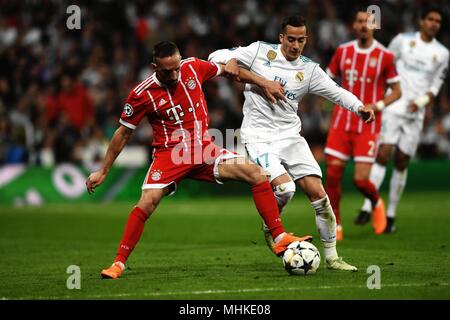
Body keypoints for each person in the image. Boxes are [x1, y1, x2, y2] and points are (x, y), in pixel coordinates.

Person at [86, 41, 312, 279]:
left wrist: (263, 81)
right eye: (167, 71)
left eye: (176, 68)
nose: (174, 74)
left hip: (205, 151)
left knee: (255, 173)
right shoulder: (141, 94)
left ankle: (279, 237)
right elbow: (123, 133)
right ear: (155, 67)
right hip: (171, 155)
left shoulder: (193, 67)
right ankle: (118, 263)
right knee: (147, 202)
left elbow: (229, 70)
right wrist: (103, 171)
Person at [208, 15, 375, 271]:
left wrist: (358, 107)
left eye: (301, 40)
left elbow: (336, 91)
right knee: (285, 190)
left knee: (320, 196)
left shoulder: (309, 70)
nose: (295, 46)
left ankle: (332, 258)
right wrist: (231, 60)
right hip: (258, 137)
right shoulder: (259, 51)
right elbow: (214, 56)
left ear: (306, 40)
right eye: (291, 39)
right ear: (281, 38)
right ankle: (272, 226)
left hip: (290, 137)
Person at [359, 6, 449, 233]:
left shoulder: (443, 53)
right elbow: (385, 65)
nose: (433, 23)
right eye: (430, 19)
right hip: (394, 104)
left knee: (401, 161)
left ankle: (390, 215)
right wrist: (381, 95)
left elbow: (436, 85)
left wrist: (421, 102)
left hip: (415, 112)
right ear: (421, 21)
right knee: (383, 153)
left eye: (438, 21)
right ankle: (368, 205)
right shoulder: (402, 41)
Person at [324, 9, 401, 240]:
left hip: (367, 125)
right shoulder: (343, 51)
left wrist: (376, 106)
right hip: (341, 122)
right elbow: (327, 80)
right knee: (333, 175)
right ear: (354, 26)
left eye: (369, 22)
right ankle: (336, 223)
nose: (364, 25)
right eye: (360, 21)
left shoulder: (385, 55)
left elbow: (397, 91)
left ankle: (376, 202)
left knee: (360, 180)